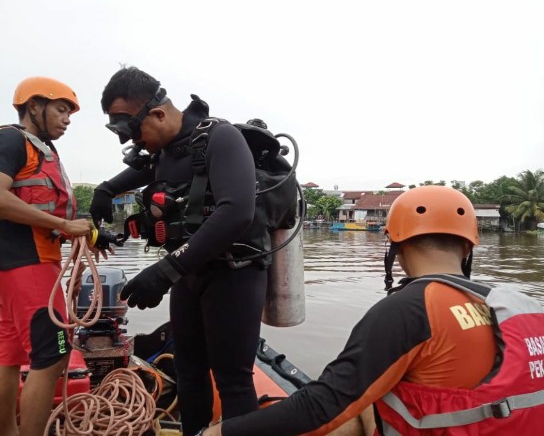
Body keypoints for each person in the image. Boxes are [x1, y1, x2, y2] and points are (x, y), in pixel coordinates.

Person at [203, 185, 544, 436]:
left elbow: (321, 406)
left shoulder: (410, 309)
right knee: (367, 406)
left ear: (394, 244)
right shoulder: (521, 304)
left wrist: (220, 433)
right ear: (468, 246)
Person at [89, 66, 269, 436]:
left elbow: (237, 211)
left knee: (233, 380)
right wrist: (104, 190)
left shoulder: (222, 138)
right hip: (187, 274)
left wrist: (164, 272)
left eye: (128, 129)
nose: (130, 140)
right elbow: (142, 172)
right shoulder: (163, 152)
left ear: (157, 113)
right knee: (188, 372)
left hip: (233, 272)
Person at [0, 76, 93, 436]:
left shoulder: (42, 150)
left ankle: (8, 431)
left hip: (19, 261)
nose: (67, 118)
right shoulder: (11, 140)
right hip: (24, 260)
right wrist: (63, 226)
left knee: (8, 351)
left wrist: (77, 232)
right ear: (34, 106)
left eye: (70, 112)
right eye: (61, 109)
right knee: (52, 354)